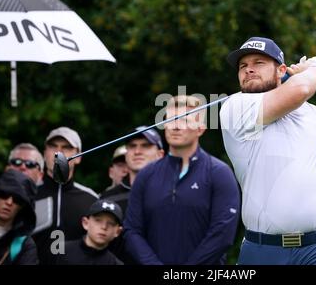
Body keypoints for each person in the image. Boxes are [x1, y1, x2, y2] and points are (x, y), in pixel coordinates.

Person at [219, 36, 316, 265]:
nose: (248, 70)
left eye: (258, 63)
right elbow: (300, 89)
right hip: (264, 249)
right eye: (243, 66)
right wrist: (313, 69)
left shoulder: (309, 113)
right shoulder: (235, 107)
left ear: (281, 70)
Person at [124, 95, 240, 265]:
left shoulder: (219, 173)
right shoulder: (146, 175)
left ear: (200, 129)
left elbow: (222, 234)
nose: (175, 127)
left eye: (185, 121)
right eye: (170, 120)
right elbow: (132, 230)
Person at [32, 126, 98, 265]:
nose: (59, 152)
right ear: (44, 153)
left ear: (79, 157)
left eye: (66, 147)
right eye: (53, 146)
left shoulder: (91, 199)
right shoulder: (28, 194)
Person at [100, 127, 164, 214]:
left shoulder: (176, 192)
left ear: (160, 155)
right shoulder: (108, 199)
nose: (137, 151)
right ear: (126, 155)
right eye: (132, 146)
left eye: (145, 145)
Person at [0, 169, 38, 265]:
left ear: (23, 206)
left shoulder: (24, 245)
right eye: (4, 194)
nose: (9, 202)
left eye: (17, 199)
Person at [55, 199, 123, 265]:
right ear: (86, 223)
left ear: (117, 231)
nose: (104, 227)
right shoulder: (61, 251)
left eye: (111, 223)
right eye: (98, 220)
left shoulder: (115, 263)